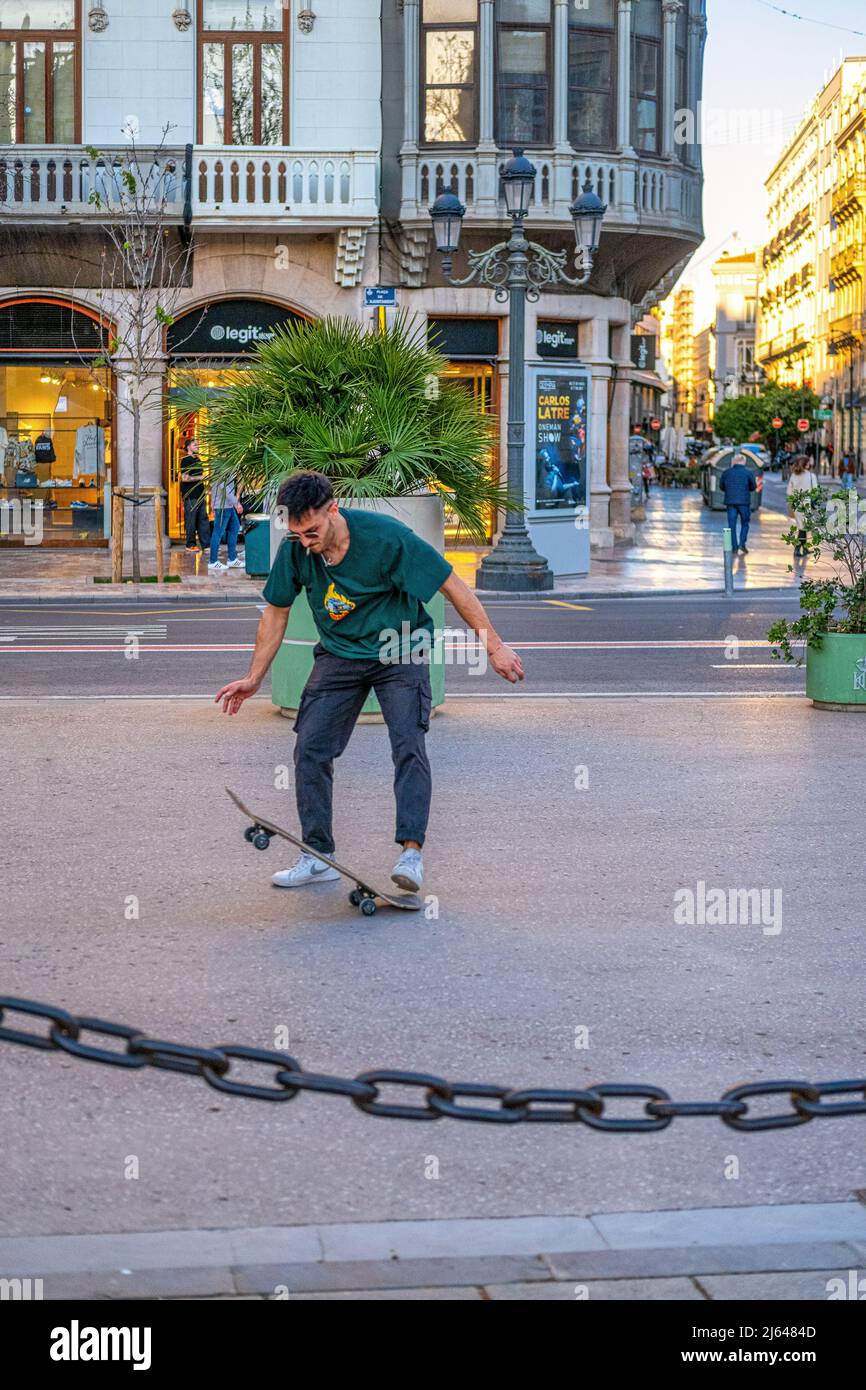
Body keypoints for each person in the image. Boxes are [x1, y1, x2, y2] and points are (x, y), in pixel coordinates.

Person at [214, 471, 524, 893]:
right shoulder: (296, 550)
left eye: (312, 532)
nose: (306, 543)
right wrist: (254, 678)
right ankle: (317, 854)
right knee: (310, 748)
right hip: (341, 654)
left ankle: (411, 856)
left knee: (408, 747)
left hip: (401, 649)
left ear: (333, 509)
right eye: (298, 534)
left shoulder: (387, 539)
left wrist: (494, 648)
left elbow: (451, 585)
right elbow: (276, 612)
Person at [718, 452, 756, 554]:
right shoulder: (749, 473)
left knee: (731, 525)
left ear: (733, 462)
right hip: (744, 502)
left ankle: (734, 547)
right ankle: (742, 544)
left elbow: (721, 486)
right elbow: (753, 487)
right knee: (745, 523)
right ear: (744, 462)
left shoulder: (726, 472)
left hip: (730, 502)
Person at [208, 473, 244, 572]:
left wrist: (212, 503)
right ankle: (213, 561)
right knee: (218, 532)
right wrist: (236, 503)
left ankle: (232, 559)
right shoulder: (222, 467)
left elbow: (213, 486)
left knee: (235, 527)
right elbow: (224, 488)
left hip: (227, 505)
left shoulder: (225, 466)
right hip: (222, 506)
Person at [180, 438, 210, 552]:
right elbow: (184, 478)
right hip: (190, 495)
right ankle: (190, 544)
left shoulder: (197, 459)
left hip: (200, 493)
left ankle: (206, 545)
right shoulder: (186, 460)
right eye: (195, 445)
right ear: (188, 447)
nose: (197, 446)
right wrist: (200, 478)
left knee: (203, 519)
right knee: (191, 520)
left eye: (197, 445)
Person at [786, 454, 818, 557]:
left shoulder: (794, 475)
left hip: (796, 504)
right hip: (807, 504)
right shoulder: (811, 476)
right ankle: (797, 549)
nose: (810, 464)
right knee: (803, 528)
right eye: (808, 462)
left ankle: (804, 549)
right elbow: (815, 491)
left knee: (802, 526)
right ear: (806, 464)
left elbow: (789, 492)